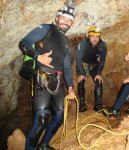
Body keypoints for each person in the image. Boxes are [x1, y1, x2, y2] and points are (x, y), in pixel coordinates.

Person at [18, 4, 76, 150]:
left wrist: (70, 87)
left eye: (70, 20)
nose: (66, 22)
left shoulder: (66, 43)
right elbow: (23, 43)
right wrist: (38, 57)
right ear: (57, 17)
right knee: (42, 118)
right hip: (41, 78)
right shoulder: (45, 29)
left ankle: (44, 145)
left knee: (60, 115)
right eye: (64, 18)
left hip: (57, 82)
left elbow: (67, 66)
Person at [76, 26, 107, 112]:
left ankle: (98, 105)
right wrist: (82, 73)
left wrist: (98, 73)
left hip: (93, 64)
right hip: (83, 64)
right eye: (92, 36)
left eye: (97, 36)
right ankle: (82, 105)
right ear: (88, 36)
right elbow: (78, 60)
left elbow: (102, 60)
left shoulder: (103, 45)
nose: (95, 39)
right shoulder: (83, 44)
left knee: (98, 80)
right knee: (81, 81)